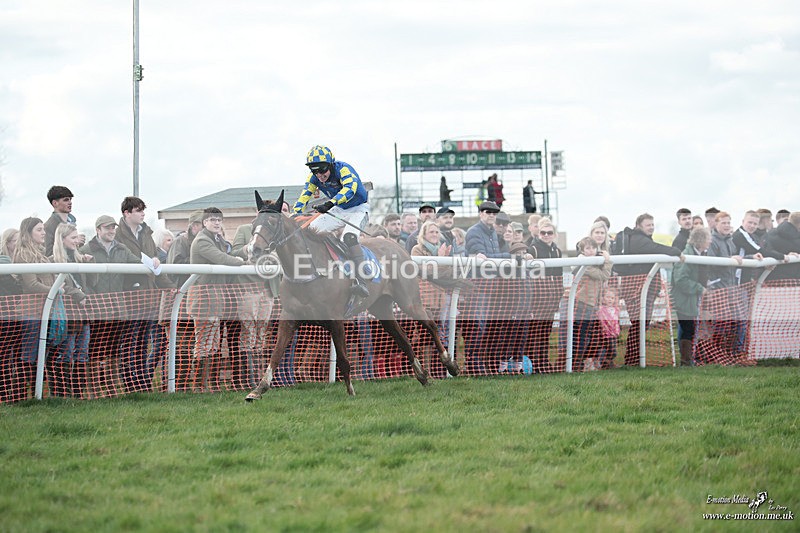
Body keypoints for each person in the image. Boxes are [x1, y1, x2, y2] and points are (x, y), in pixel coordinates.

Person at [115, 196, 175, 392]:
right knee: (130, 342)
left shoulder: (146, 234)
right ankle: (130, 384)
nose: (142, 214)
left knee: (142, 342)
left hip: (148, 295)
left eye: (143, 210)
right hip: (129, 296)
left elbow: (152, 262)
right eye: (138, 210)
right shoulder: (118, 235)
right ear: (127, 213)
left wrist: (168, 284)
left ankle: (141, 383)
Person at [294, 145, 370, 298]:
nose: (319, 175)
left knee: (348, 237)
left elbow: (350, 189)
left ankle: (362, 278)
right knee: (310, 231)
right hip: (339, 209)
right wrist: (295, 212)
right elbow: (305, 195)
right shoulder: (314, 178)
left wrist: (330, 203)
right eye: (314, 170)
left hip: (358, 209)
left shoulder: (343, 169)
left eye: (322, 169)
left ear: (330, 165)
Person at [79, 215, 143, 397]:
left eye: (113, 228)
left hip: (117, 307)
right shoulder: (86, 250)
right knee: (95, 349)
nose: (111, 231)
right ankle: (93, 389)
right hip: (97, 307)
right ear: (98, 230)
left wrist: (153, 262)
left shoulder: (122, 249)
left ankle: (112, 386)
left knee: (114, 348)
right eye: (107, 228)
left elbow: (138, 263)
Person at [188, 208, 246, 392]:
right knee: (204, 343)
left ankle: (210, 385)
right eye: (213, 220)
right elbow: (221, 259)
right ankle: (199, 386)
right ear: (204, 222)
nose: (217, 223)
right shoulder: (203, 241)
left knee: (212, 343)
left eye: (219, 220)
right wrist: (241, 261)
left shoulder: (218, 240)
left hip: (215, 298)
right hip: (204, 299)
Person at [614, 213, 684, 366]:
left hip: (641, 287)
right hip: (637, 288)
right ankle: (632, 359)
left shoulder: (640, 238)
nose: (651, 227)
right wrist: (677, 251)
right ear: (639, 225)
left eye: (652, 225)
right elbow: (656, 249)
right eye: (648, 225)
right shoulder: (639, 240)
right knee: (639, 324)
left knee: (640, 324)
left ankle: (634, 358)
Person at [50, 223, 92, 398]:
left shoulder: (79, 258)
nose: (77, 241)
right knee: (66, 352)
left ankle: (77, 394)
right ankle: (60, 394)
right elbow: (60, 285)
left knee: (82, 353)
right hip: (66, 313)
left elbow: (91, 283)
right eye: (73, 238)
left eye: (77, 237)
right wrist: (77, 294)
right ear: (62, 239)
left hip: (83, 314)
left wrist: (91, 263)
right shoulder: (52, 260)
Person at [700, 211, 745, 364]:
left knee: (736, 322)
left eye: (728, 222)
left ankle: (732, 353)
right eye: (723, 223)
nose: (727, 225)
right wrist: (729, 259)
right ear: (716, 224)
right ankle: (715, 354)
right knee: (720, 324)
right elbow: (712, 261)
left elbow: (736, 258)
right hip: (718, 289)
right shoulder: (712, 241)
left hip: (731, 288)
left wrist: (753, 257)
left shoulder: (730, 241)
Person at [671, 226, 711, 366]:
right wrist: (699, 288)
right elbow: (680, 280)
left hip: (690, 299)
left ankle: (687, 359)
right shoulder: (687, 254)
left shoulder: (698, 254)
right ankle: (686, 361)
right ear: (700, 240)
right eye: (707, 239)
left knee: (690, 328)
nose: (709, 242)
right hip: (684, 299)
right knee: (688, 328)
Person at [528, 217, 563, 373]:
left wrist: (558, 296)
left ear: (554, 234)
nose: (546, 235)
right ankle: (534, 362)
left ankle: (544, 361)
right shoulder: (533, 249)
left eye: (549, 233)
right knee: (535, 332)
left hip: (551, 298)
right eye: (543, 232)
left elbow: (559, 276)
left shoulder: (557, 251)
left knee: (546, 333)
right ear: (539, 233)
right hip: (537, 299)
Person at [572, 237, 612, 371]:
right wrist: (608, 261)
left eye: (593, 248)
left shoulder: (594, 262)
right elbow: (603, 275)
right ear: (582, 250)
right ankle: (576, 363)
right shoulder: (585, 263)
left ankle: (585, 362)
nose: (591, 251)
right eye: (588, 248)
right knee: (581, 334)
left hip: (592, 304)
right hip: (583, 303)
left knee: (589, 334)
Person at [44, 185, 80, 256]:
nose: (70, 202)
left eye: (70, 199)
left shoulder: (72, 222)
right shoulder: (48, 226)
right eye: (66, 200)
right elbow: (49, 253)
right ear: (55, 203)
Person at [765, 212, 800, 280]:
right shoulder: (797, 239)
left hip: (770, 279)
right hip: (794, 280)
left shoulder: (771, 233)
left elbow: (767, 250)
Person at [596, 287, 621, 369]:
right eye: (608, 297)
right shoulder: (601, 309)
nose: (610, 300)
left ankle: (609, 363)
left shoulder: (616, 309)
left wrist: (617, 331)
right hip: (605, 334)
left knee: (613, 350)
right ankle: (602, 363)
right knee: (604, 349)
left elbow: (616, 322)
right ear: (603, 298)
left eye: (612, 298)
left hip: (613, 334)